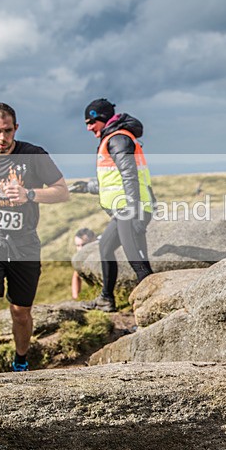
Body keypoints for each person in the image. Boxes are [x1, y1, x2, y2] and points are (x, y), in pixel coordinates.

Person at [0, 102, 69, 373]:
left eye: (8, 131)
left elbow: (62, 191)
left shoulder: (34, 156)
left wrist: (29, 194)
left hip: (24, 244)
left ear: (16, 128)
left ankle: (20, 360)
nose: (2, 138)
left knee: (20, 313)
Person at [69, 98, 154, 312]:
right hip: (124, 209)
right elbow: (111, 181)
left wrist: (134, 211)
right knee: (105, 247)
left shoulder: (117, 139)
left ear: (103, 119)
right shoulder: (111, 139)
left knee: (138, 263)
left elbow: (129, 175)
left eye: (91, 122)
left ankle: (152, 309)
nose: (88, 128)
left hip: (131, 209)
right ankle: (106, 299)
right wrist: (86, 187)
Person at [71, 228, 97, 299]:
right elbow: (76, 275)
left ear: (93, 240)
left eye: (84, 244)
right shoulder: (81, 258)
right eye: (78, 246)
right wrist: (76, 297)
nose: (80, 249)